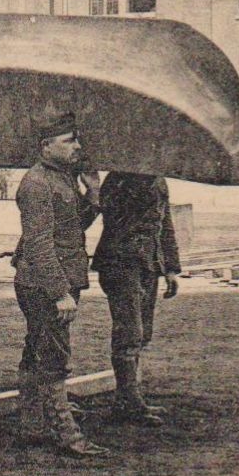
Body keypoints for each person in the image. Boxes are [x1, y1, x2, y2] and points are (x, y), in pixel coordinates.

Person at [12, 111, 108, 458]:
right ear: (45, 146)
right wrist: (60, 293)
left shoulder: (62, 178)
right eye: (69, 141)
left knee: (36, 349)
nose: (77, 147)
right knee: (54, 355)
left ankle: (31, 424)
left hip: (56, 278)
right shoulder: (37, 184)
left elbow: (72, 227)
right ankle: (67, 434)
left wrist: (93, 194)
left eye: (76, 139)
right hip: (44, 284)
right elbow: (39, 243)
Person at [92, 172, 181, 426]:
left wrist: (170, 268)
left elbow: (165, 225)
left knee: (142, 334)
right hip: (120, 262)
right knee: (129, 334)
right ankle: (128, 403)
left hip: (148, 264)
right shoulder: (117, 181)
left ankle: (130, 397)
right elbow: (116, 221)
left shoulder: (158, 180)